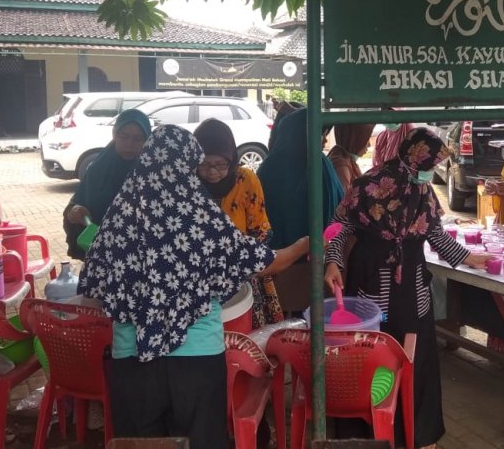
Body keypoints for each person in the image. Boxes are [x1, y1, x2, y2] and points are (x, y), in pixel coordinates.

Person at [78, 125, 311, 447]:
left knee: (140, 443)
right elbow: (265, 261)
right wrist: (304, 245)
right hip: (196, 356)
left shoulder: (120, 214)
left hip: (131, 358)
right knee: (201, 439)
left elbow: (93, 282)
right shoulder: (199, 216)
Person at [324, 127, 489, 448]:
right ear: (413, 158)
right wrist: (334, 262)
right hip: (371, 279)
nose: (430, 173)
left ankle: (418, 434)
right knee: (372, 355)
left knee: (416, 356)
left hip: (412, 285)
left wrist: (471, 259)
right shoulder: (369, 185)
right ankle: (368, 432)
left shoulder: (423, 191)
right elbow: (339, 228)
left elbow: (437, 237)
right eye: (428, 165)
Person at [193, 117, 283, 328]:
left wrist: (236, 259)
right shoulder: (188, 183)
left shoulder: (245, 180)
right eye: (205, 164)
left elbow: (261, 230)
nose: (213, 172)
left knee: (243, 328)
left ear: (231, 159)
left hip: (243, 268)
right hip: (199, 273)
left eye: (220, 164)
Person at [257, 107, 344, 313]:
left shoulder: (269, 168)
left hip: (276, 266)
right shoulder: (321, 165)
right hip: (317, 264)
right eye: (320, 134)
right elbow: (339, 211)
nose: (323, 141)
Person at [63, 109, 151, 260]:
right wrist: (75, 211)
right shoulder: (98, 169)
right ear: (114, 135)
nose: (129, 144)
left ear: (148, 140)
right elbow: (73, 208)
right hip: (99, 255)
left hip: (141, 259)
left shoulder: (153, 173)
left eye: (138, 138)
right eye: (123, 136)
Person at [326, 122, 375, 192]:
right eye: (366, 139)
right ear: (357, 140)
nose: (369, 145)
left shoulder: (342, 156)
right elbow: (344, 200)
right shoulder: (342, 166)